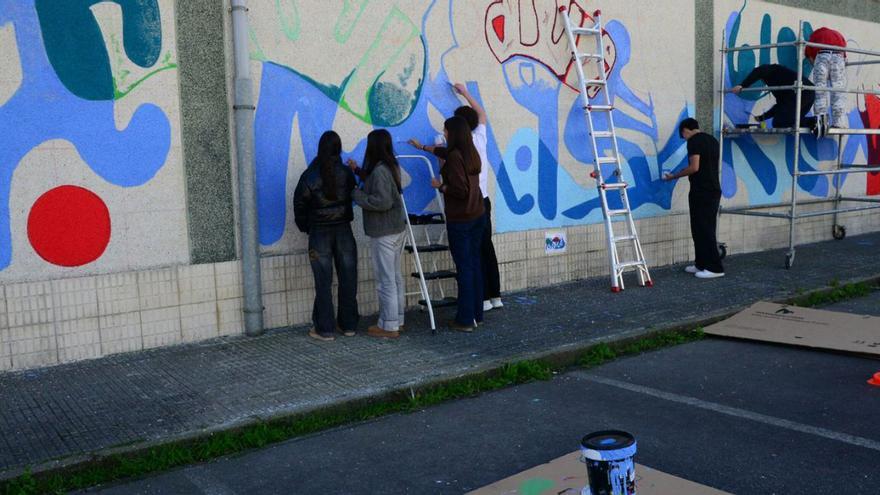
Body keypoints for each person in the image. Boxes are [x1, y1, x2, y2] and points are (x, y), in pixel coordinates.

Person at [409, 117, 485, 331]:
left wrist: (441, 186)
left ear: (453, 133)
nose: (444, 132)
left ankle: (464, 319)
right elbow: (445, 152)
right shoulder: (471, 153)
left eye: (446, 130)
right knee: (474, 265)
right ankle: (476, 315)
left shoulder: (454, 158)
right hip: (478, 214)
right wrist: (423, 147)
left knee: (464, 269)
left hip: (461, 220)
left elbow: (460, 190)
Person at [293, 131, 359, 341]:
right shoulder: (346, 173)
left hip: (319, 232)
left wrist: (306, 227)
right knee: (348, 279)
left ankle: (325, 329)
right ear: (339, 148)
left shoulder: (309, 175)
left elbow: (299, 204)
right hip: (344, 231)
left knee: (323, 282)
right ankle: (348, 325)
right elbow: (353, 194)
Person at [447, 83, 504, 313]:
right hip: (485, 201)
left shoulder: (460, 147)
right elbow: (481, 114)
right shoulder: (480, 138)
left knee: (473, 251)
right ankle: (495, 295)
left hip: (469, 203)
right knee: (486, 247)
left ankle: (481, 300)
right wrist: (466, 93)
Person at [347, 130, 407, 340]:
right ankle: (397, 320)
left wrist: (356, 193)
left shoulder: (380, 170)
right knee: (395, 277)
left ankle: (389, 326)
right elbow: (377, 184)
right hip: (395, 228)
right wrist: (357, 171)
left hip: (384, 232)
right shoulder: (389, 165)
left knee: (386, 280)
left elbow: (381, 201)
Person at [663, 118, 725, 279]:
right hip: (712, 189)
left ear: (685, 130)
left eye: (682, 135)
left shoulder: (694, 141)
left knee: (704, 228)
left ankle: (715, 268)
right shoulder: (712, 140)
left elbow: (694, 167)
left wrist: (674, 176)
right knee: (699, 228)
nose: (683, 138)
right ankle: (701, 264)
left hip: (702, 190)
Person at [731, 64, 816, 129]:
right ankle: (814, 122)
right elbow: (780, 107)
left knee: (779, 122)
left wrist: (742, 85)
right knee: (792, 120)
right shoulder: (782, 84)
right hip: (809, 92)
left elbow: (759, 71)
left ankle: (813, 121)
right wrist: (763, 117)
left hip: (801, 92)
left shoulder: (774, 71)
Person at [807, 27, 848, 133]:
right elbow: (844, 58)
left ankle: (821, 122)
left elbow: (810, 56)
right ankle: (839, 123)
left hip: (822, 55)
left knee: (820, 90)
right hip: (838, 56)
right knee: (838, 91)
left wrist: (820, 71)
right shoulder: (838, 35)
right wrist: (834, 74)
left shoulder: (814, 36)